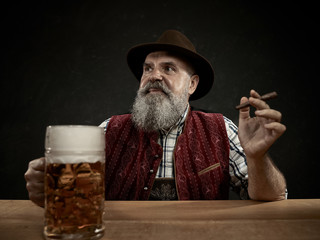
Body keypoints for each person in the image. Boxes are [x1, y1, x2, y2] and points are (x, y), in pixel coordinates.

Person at [25, 30, 287, 207]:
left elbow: (274, 198)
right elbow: (73, 197)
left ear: (192, 84)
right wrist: (52, 189)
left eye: (168, 68)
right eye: (148, 68)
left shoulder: (222, 130)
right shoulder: (108, 131)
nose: (154, 76)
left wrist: (256, 158)